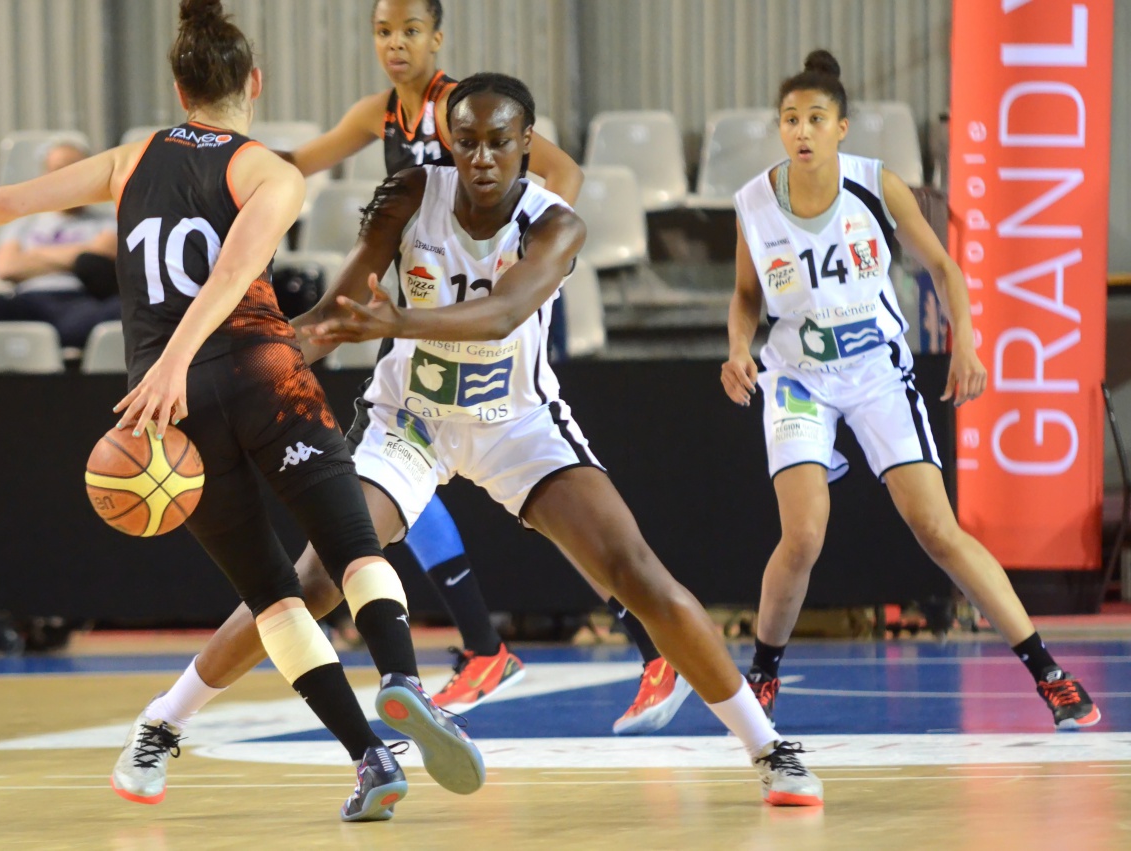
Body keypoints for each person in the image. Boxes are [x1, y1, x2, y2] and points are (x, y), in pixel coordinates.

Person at [153, 72, 823, 808]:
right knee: (313, 580)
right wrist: (224, 370)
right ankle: (163, 721)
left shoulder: (556, 224)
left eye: (498, 142)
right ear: (448, 141)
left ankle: (769, 747)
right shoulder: (411, 194)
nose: (480, 157)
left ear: (525, 143)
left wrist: (398, 323)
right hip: (411, 420)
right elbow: (334, 317)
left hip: (517, 423)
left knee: (639, 574)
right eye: (465, 140)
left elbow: (503, 313)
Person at [0, 0, 484, 822]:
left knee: (273, 597)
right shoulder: (269, 171)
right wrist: (184, 355)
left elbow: (18, 200)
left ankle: (369, 757)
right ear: (255, 83)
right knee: (353, 546)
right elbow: (231, 272)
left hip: (168, 408)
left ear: (180, 91)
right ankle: (403, 680)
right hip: (262, 373)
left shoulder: (131, 156)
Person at [144, 0, 691, 744]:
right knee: (362, 524)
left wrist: (518, 255)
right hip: (421, 328)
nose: (395, 44)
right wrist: (218, 172)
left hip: (492, 322)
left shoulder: (469, 108)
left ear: (438, 38)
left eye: (410, 31)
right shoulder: (380, 114)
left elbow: (560, 174)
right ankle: (483, 647)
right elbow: (297, 166)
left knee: (592, 532)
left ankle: (649, 651)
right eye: (383, 31)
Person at [721, 50, 1101, 732]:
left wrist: (967, 343)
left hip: (875, 370)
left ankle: (1049, 670)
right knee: (802, 535)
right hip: (799, 377)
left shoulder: (876, 184)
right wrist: (737, 348)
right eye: (790, 119)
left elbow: (946, 269)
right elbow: (747, 295)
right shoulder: (754, 201)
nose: (801, 130)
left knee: (937, 529)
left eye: (815, 118)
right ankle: (764, 672)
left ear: (841, 128)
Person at [0, 141, 122, 351]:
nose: (69, 176)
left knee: (124, 309)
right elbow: (6, 268)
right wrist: (75, 257)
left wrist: (34, 255)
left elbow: (97, 258)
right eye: (59, 169)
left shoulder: (108, 221)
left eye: (77, 168)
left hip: (79, 302)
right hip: (27, 303)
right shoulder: (24, 222)